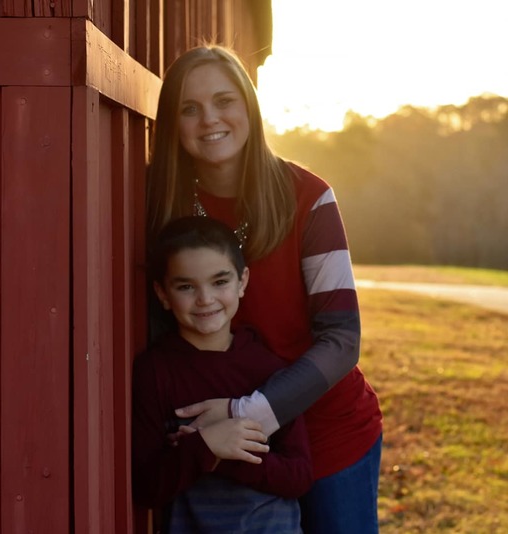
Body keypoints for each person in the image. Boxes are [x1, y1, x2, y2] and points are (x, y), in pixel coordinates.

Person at [145, 44, 383, 533]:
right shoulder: (159, 203)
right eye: (190, 108)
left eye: (224, 101)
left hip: (326, 431)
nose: (210, 118)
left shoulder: (309, 197)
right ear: (173, 122)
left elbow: (341, 340)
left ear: (249, 106)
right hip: (217, 443)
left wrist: (244, 412)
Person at [132, 216, 313, 533]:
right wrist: (205, 446)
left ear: (242, 281)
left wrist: (222, 452)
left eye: (220, 282)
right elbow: (147, 486)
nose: (205, 299)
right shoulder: (155, 372)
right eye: (186, 286)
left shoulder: (268, 369)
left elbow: (298, 476)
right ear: (162, 294)